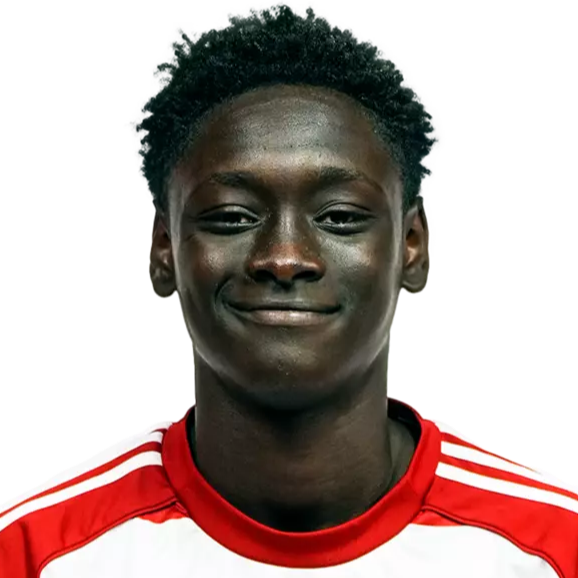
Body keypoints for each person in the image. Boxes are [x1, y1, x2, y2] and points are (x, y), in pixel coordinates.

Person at [2, 6, 576, 577]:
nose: (284, 257)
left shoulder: (554, 546)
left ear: (412, 246)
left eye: (340, 216)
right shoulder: (31, 551)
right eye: (232, 217)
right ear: (164, 250)